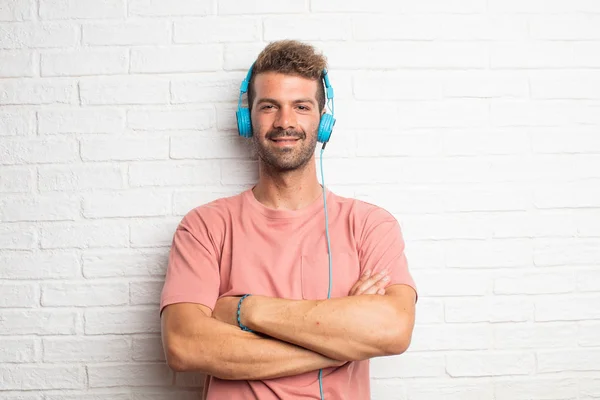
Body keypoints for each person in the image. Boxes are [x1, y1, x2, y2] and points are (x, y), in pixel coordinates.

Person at [159, 40, 418, 400]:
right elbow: (185, 346)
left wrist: (242, 309)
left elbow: (393, 329)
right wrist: (342, 340)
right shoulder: (204, 227)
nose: (285, 122)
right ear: (248, 119)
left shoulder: (371, 225)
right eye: (269, 107)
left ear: (323, 121)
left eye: (301, 106)